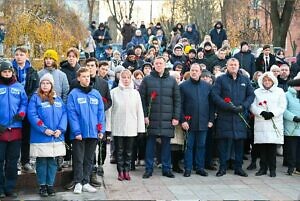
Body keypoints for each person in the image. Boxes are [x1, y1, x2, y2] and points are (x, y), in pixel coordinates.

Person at [211, 58, 255, 177]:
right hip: (225, 116)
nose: (233, 66)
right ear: (227, 66)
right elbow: (215, 96)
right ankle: (222, 168)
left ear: (238, 66)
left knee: (239, 144)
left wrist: (243, 106)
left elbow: (251, 95)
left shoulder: (245, 79)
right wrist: (226, 106)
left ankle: (238, 168)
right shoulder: (220, 79)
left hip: (240, 117)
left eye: (235, 64)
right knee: (223, 144)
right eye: (231, 64)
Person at [139, 56, 181, 179]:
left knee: (166, 145)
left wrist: (176, 117)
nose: (158, 65)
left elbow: (177, 100)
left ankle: (167, 169)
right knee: (150, 145)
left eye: (161, 63)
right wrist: (145, 115)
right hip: (152, 118)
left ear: (165, 65)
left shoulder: (172, 81)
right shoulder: (147, 80)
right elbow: (141, 99)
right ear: (153, 65)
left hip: (168, 119)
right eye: (156, 63)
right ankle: (148, 169)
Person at [27, 73, 67, 197]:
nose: (45, 85)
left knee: (52, 162)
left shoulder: (58, 98)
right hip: (41, 136)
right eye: (43, 83)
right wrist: (44, 129)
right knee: (42, 162)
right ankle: (42, 186)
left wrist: (60, 129)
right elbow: (32, 115)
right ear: (40, 84)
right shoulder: (35, 98)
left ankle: (50, 185)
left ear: (52, 85)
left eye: (48, 83)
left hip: (56, 136)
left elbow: (64, 114)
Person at [67, 67, 105, 194]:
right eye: (83, 76)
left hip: (93, 133)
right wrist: (76, 131)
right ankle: (78, 182)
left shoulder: (96, 94)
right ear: (78, 78)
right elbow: (71, 114)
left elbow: (100, 114)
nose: (86, 79)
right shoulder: (73, 94)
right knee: (78, 158)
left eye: (88, 76)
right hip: (79, 134)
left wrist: (101, 130)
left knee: (89, 159)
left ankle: (86, 182)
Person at [107, 69, 145, 180]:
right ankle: (120, 171)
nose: (126, 80)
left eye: (128, 77)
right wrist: (108, 127)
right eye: (124, 77)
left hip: (131, 127)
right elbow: (109, 111)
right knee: (119, 151)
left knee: (129, 151)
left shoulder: (135, 93)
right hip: (118, 126)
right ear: (120, 78)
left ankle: (127, 171)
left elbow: (139, 111)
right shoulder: (114, 92)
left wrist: (140, 128)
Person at [180, 63, 214, 177]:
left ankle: (200, 167)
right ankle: (188, 168)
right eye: (192, 70)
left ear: (200, 72)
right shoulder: (183, 86)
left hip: (203, 121)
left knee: (201, 145)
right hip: (189, 122)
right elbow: (179, 105)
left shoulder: (207, 86)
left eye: (196, 70)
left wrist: (211, 119)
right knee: (189, 146)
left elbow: (211, 105)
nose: (194, 72)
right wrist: (183, 120)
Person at [250, 72, 286, 177]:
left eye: (269, 80)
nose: (267, 82)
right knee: (262, 148)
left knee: (272, 147)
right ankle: (263, 168)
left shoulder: (279, 91)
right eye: (265, 80)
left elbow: (282, 106)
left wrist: (272, 114)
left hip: (274, 122)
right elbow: (252, 105)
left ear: (273, 81)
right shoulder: (257, 92)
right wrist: (261, 113)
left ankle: (272, 169)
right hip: (262, 122)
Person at [0, 61, 28, 198]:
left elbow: (24, 102)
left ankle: (9, 188)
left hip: (16, 129)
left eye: (9, 72)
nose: (7, 74)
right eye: (4, 72)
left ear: (12, 73)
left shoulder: (18, 87)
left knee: (12, 161)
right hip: (1, 129)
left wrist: (22, 113)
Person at [12, 47, 39, 173]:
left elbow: (35, 89)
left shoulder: (32, 71)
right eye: (17, 54)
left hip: (28, 106)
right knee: (14, 135)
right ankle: (14, 161)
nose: (19, 57)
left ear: (26, 56)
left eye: (21, 54)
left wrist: (25, 99)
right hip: (13, 107)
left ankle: (25, 161)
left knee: (26, 135)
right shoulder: (9, 69)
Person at [284, 74, 300, 175]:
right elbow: (284, 110)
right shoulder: (286, 95)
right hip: (291, 126)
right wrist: (293, 118)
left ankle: (298, 168)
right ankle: (291, 167)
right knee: (291, 149)